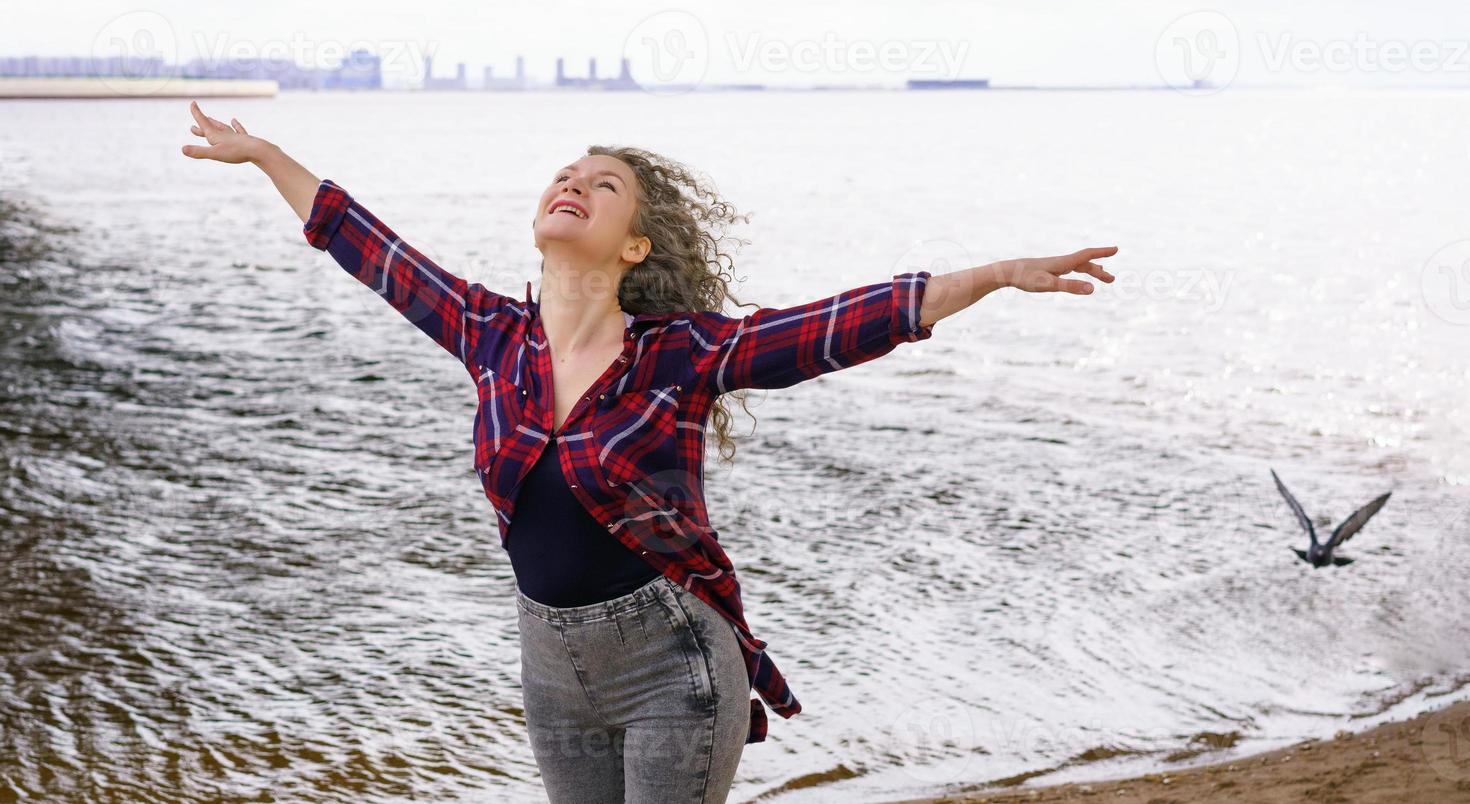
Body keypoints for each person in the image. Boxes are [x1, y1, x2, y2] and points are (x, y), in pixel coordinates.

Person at [181, 100, 1117, 802]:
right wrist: (263, 153)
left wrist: (990, 276)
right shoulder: (490, 334)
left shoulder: (681, 353)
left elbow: (831, 327)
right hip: (550, 669)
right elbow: (364, 244)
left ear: (634, 246)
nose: (573, 186)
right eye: (565, 176)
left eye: (602, 184)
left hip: (676, 664)